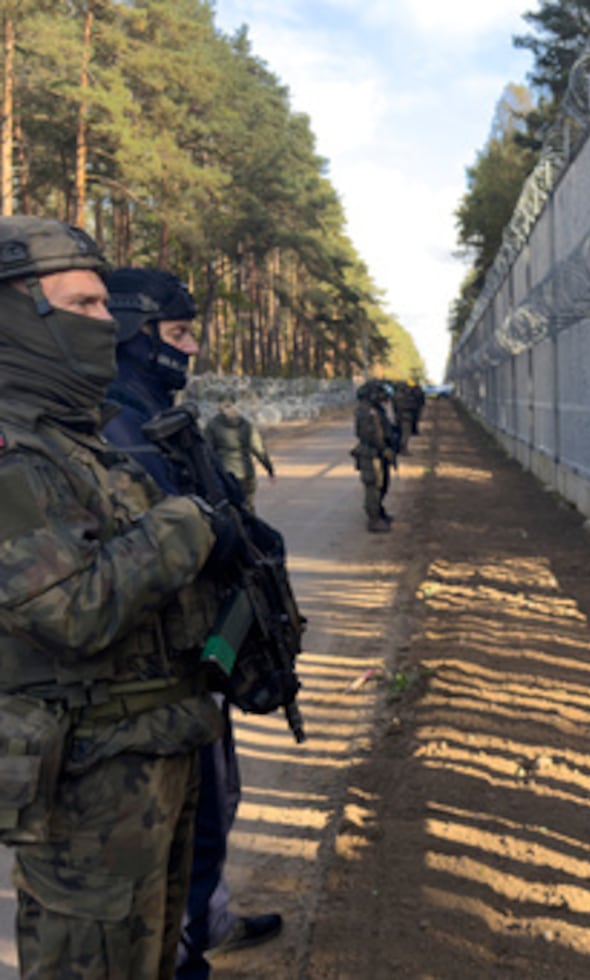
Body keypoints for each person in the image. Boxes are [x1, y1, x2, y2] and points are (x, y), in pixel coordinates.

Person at [0, 216, 224, 977]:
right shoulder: (11, 452)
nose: (108, 324)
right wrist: (190, 525)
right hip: (87, 780)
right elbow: (73, 606)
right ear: (17, 313)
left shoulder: (76, 437)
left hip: (149, 753)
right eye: (85, 306)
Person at [101, 267, 283, 978]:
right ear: (132, 333)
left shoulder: (154, 414)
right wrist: (218, 532)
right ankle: (187, 953)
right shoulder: (111, 421)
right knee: (178, 836)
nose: (191, 351)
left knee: (211, 809)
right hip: (150, 679)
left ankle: (208, 922)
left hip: (189, 661)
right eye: (178, 335)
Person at [204, 396, 275, 511]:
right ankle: (250, 526)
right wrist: (269, 469)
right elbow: (258, 449)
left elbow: (207, 451)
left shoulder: (212, 426)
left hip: (225, 473)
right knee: (248, 506)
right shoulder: (247, 425)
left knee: (229, 509)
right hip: (246, 472)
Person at [353, 379, 397, 532]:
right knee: (373, 486)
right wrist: (383, 448)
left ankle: (378, 511)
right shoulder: (366, 411)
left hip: (379, 452)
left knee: (383, 484)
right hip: (371, 453)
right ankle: (374, 519)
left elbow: (385, 428)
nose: (383, 397)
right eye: (380, 393)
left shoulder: (376, 408)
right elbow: (371, 433)